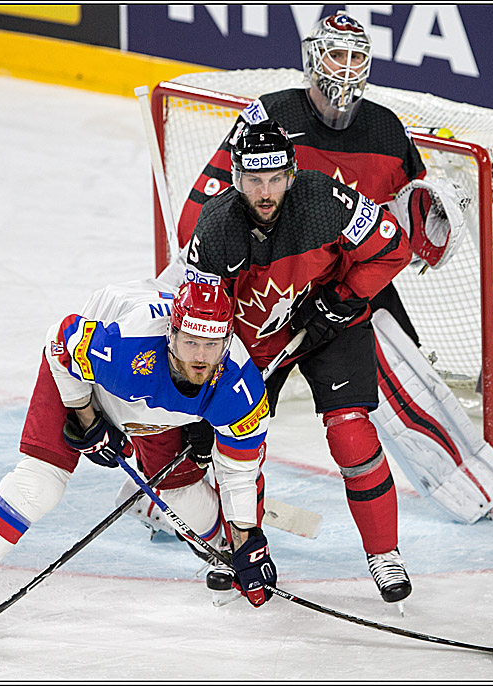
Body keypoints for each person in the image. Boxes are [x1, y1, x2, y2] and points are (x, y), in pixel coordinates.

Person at [0, 280, 276, 652]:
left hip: (156, 409)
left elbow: (240, 471)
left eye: (211, 345)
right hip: (88, 381)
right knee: (40, 487)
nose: (200, 357)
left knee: (181, 492)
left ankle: (223, 553)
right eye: (190, 342)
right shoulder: (126, 348)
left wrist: (246, 542)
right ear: (171, 334)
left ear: (227, 342)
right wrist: (88, 418)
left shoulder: (239, 385)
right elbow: (60, 340)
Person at [174, 11, 468, 410]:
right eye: (335, 55)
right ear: (313, 58)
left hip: (347, 271)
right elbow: (207, 207)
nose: (346, 69)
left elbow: (411, 216)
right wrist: (206, 267)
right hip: (273, 270)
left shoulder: (388, 130)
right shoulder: (269, 116)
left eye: (355, 58)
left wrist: (429, 230)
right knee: (234, 396)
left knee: (409, 376)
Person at [183, 117, 414, 604]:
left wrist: (344, 297)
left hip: (332, 322)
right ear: (235, 179)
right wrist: (203, 396)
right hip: (252, 346)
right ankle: (242, 547)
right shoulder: (216, 231)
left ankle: (385, 553)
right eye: (252, 181)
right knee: (236, 445)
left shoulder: (325, 200)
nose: (264, 193)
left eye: (274, 179)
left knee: (351, 429)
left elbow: (393, 248)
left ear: (291, 174)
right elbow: (200, 326)